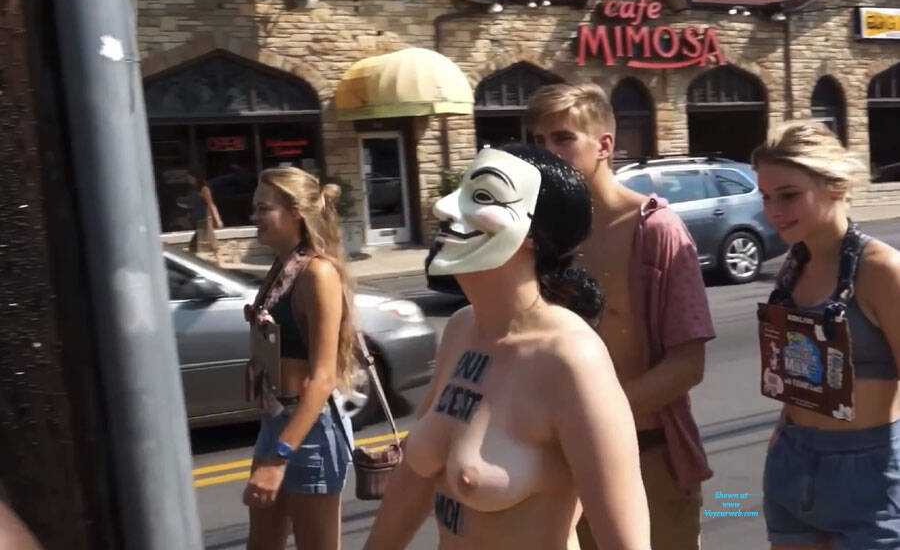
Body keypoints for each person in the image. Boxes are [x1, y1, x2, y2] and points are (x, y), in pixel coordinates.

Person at [364, 144, 651, 550]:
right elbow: (413, 479)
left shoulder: (570, 358)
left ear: (532, 234)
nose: (445, 207)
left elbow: (625, 542)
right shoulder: (462, 329)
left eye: (482, 196)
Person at [525, 83, 715, 550]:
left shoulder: (656, 230)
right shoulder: (545, 237)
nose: (547, 154)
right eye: (539, 141)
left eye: (563, 138)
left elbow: (687, 365)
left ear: (604, 145)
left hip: (645, 455)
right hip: (559, 463)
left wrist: (593, 416)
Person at [753, 121, 900, 549]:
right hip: (792, 463)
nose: (773, 210)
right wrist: (784, 427)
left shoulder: (881, 270)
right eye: (765, 196)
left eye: (788, 195)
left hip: (870, 474)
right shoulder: (793, 265)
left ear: (834, 186)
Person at [242, 167, 356, 550]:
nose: (255, 217)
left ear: (295, 214)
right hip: (275, 422)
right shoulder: (282, 267)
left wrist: (278, 459)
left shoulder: (317, 273)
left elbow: (323, 377)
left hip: (309, 433)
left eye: (264, 209)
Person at [187, 171, 223, 261]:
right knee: (209, 241)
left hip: (205, 219)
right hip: (200, 220)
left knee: (197, 244)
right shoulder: (195, 190)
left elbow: (211, 204)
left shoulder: (204, 189)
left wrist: (218, 219)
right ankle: (217, 259)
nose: (188, 179)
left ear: (195, 178)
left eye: (190, 177)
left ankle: (215, 259)